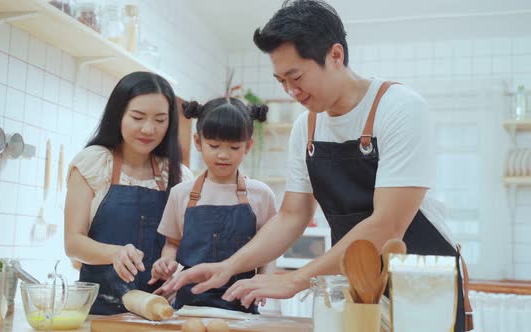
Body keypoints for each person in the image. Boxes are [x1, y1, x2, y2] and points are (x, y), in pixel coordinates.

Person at [163, 1, 471, 330]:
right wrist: (228, 265)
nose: (290, 90)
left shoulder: (399, 108)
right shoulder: (306, 128)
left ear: (335, 55)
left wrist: (295, 281)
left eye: (296, 77)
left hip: (422, 286)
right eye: (281, 80)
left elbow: (387, 225)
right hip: (359, 279)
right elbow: (292, 216)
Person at [64, 71, 194, 315]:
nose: (148, 128)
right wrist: (114, 253)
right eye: (138, 117)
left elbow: (184, 244)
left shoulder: (179, 176)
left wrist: (175, 271)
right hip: (99, 312)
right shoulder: (93, 164)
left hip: (161, 312)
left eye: (160, 119)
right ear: (118, 115)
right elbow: (73, 243)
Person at [148, 97, 278, 314]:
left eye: (234, 147)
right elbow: (172, 243)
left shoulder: (261, 195)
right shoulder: (181, 194)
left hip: (242, 305)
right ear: (198, 142)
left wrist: (264, 280)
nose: (223, 155)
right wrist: (165, 262)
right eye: (214, 145)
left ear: (248, 146)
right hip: (189, 306)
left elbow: (270, 249)